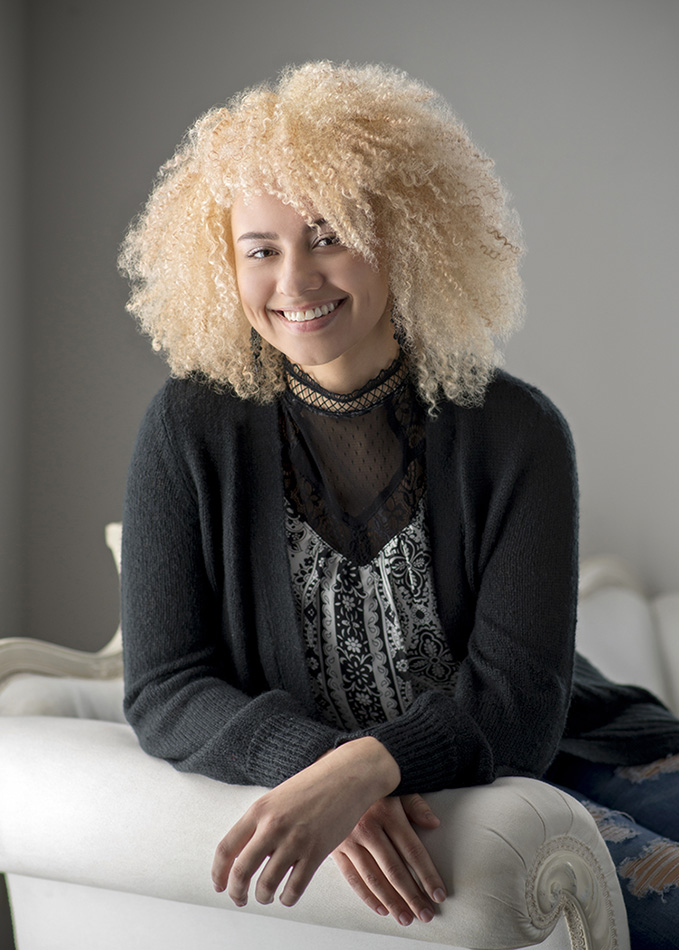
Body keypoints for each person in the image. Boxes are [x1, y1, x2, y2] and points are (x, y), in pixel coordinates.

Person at [118, 61, 679, 947]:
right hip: (461, 800)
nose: (295, 280)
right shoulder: (189, 429)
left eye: (329, 235)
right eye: (260, 248)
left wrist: (366, 769)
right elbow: (164, 688)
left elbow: (520, 704)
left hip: (566, 745)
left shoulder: (517, 430)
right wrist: (322, 767)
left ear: (406, 237)